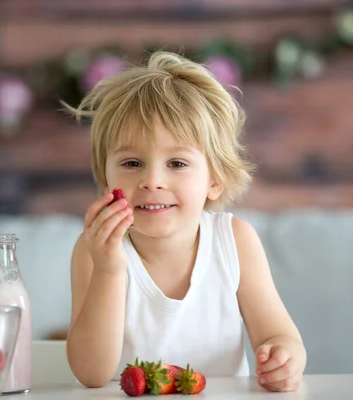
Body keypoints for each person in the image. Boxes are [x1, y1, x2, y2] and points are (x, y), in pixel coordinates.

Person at [64, 51, 307, 392]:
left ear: (215, 179)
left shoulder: (234, 241)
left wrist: (286, 356)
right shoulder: (94, 252)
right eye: (132, 163)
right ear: (106, 180)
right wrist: (109, 269)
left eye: (176, 163)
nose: (152, 181)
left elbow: (278, 334)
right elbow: (90, 374)